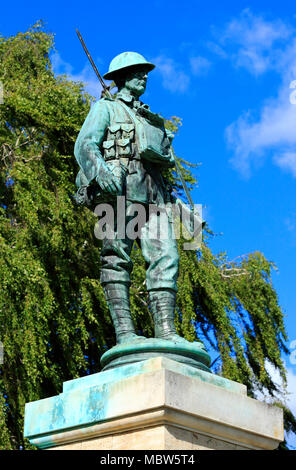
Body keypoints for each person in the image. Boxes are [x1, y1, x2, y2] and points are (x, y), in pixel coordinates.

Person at [74, 52, 187, 345]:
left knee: (167, 257)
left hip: (155, 196)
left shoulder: (150, 117)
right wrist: (101, 172)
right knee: (117, 258)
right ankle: (126, 335)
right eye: (137, 72)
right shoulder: (106, 109)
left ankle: (167, 332)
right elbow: (85, 145)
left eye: (145, 72)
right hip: (119, 192)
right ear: (122, 77)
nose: (144, 76)